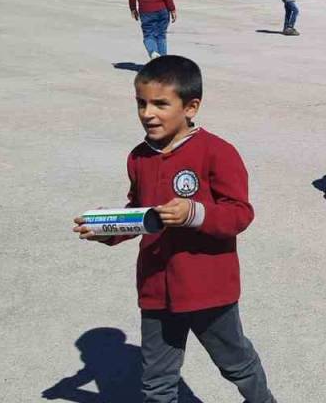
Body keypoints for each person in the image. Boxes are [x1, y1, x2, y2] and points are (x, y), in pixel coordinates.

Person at [71, 56, 276, 403]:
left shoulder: (217, 152)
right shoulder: (139, 157)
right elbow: (141, 213)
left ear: (191, 107)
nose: (147, 113)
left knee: (235, 362)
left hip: (208, 288)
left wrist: (195, 213)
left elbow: (239, 214)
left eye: (160, 104)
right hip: (156, 288)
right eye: (141, 103)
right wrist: (109, 229)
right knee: (157, 381)